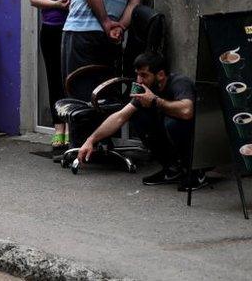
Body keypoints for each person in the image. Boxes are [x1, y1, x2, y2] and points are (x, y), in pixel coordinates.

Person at [76, 52, 206, 190]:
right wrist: (91, 140)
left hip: (200, 140)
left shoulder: (180, 83)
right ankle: (172, 169)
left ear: (160, 75)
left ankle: (195, 172)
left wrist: (156, 101)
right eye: (137, 74)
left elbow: (187, 111)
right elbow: (120, 116)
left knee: (173, 123)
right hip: (170, 132)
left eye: (144, 75)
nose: (138, 80)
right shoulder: (145, 88)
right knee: (138, 117)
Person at [30, 0, 78, 155]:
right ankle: (58, 128)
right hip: (50, 30)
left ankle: (71, 129)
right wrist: (55, 5)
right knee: (54, 79)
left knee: (70, 78)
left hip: (72, 30)